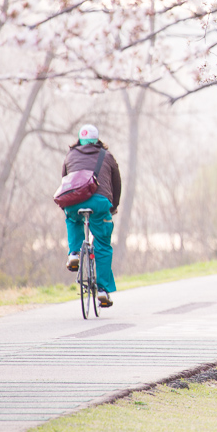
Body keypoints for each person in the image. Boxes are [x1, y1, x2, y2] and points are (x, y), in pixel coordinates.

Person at [62, 124, 122, 308]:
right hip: (99, 203)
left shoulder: (70, 156)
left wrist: (68, 207)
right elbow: (116, 184)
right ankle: (103, 291)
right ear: (97, 140)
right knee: (103, 244)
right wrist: (113, 207)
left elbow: (64, 181)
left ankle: (74, 253)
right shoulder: (107, 156)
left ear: (80, 140)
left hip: (74, 201)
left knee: (72, 218)